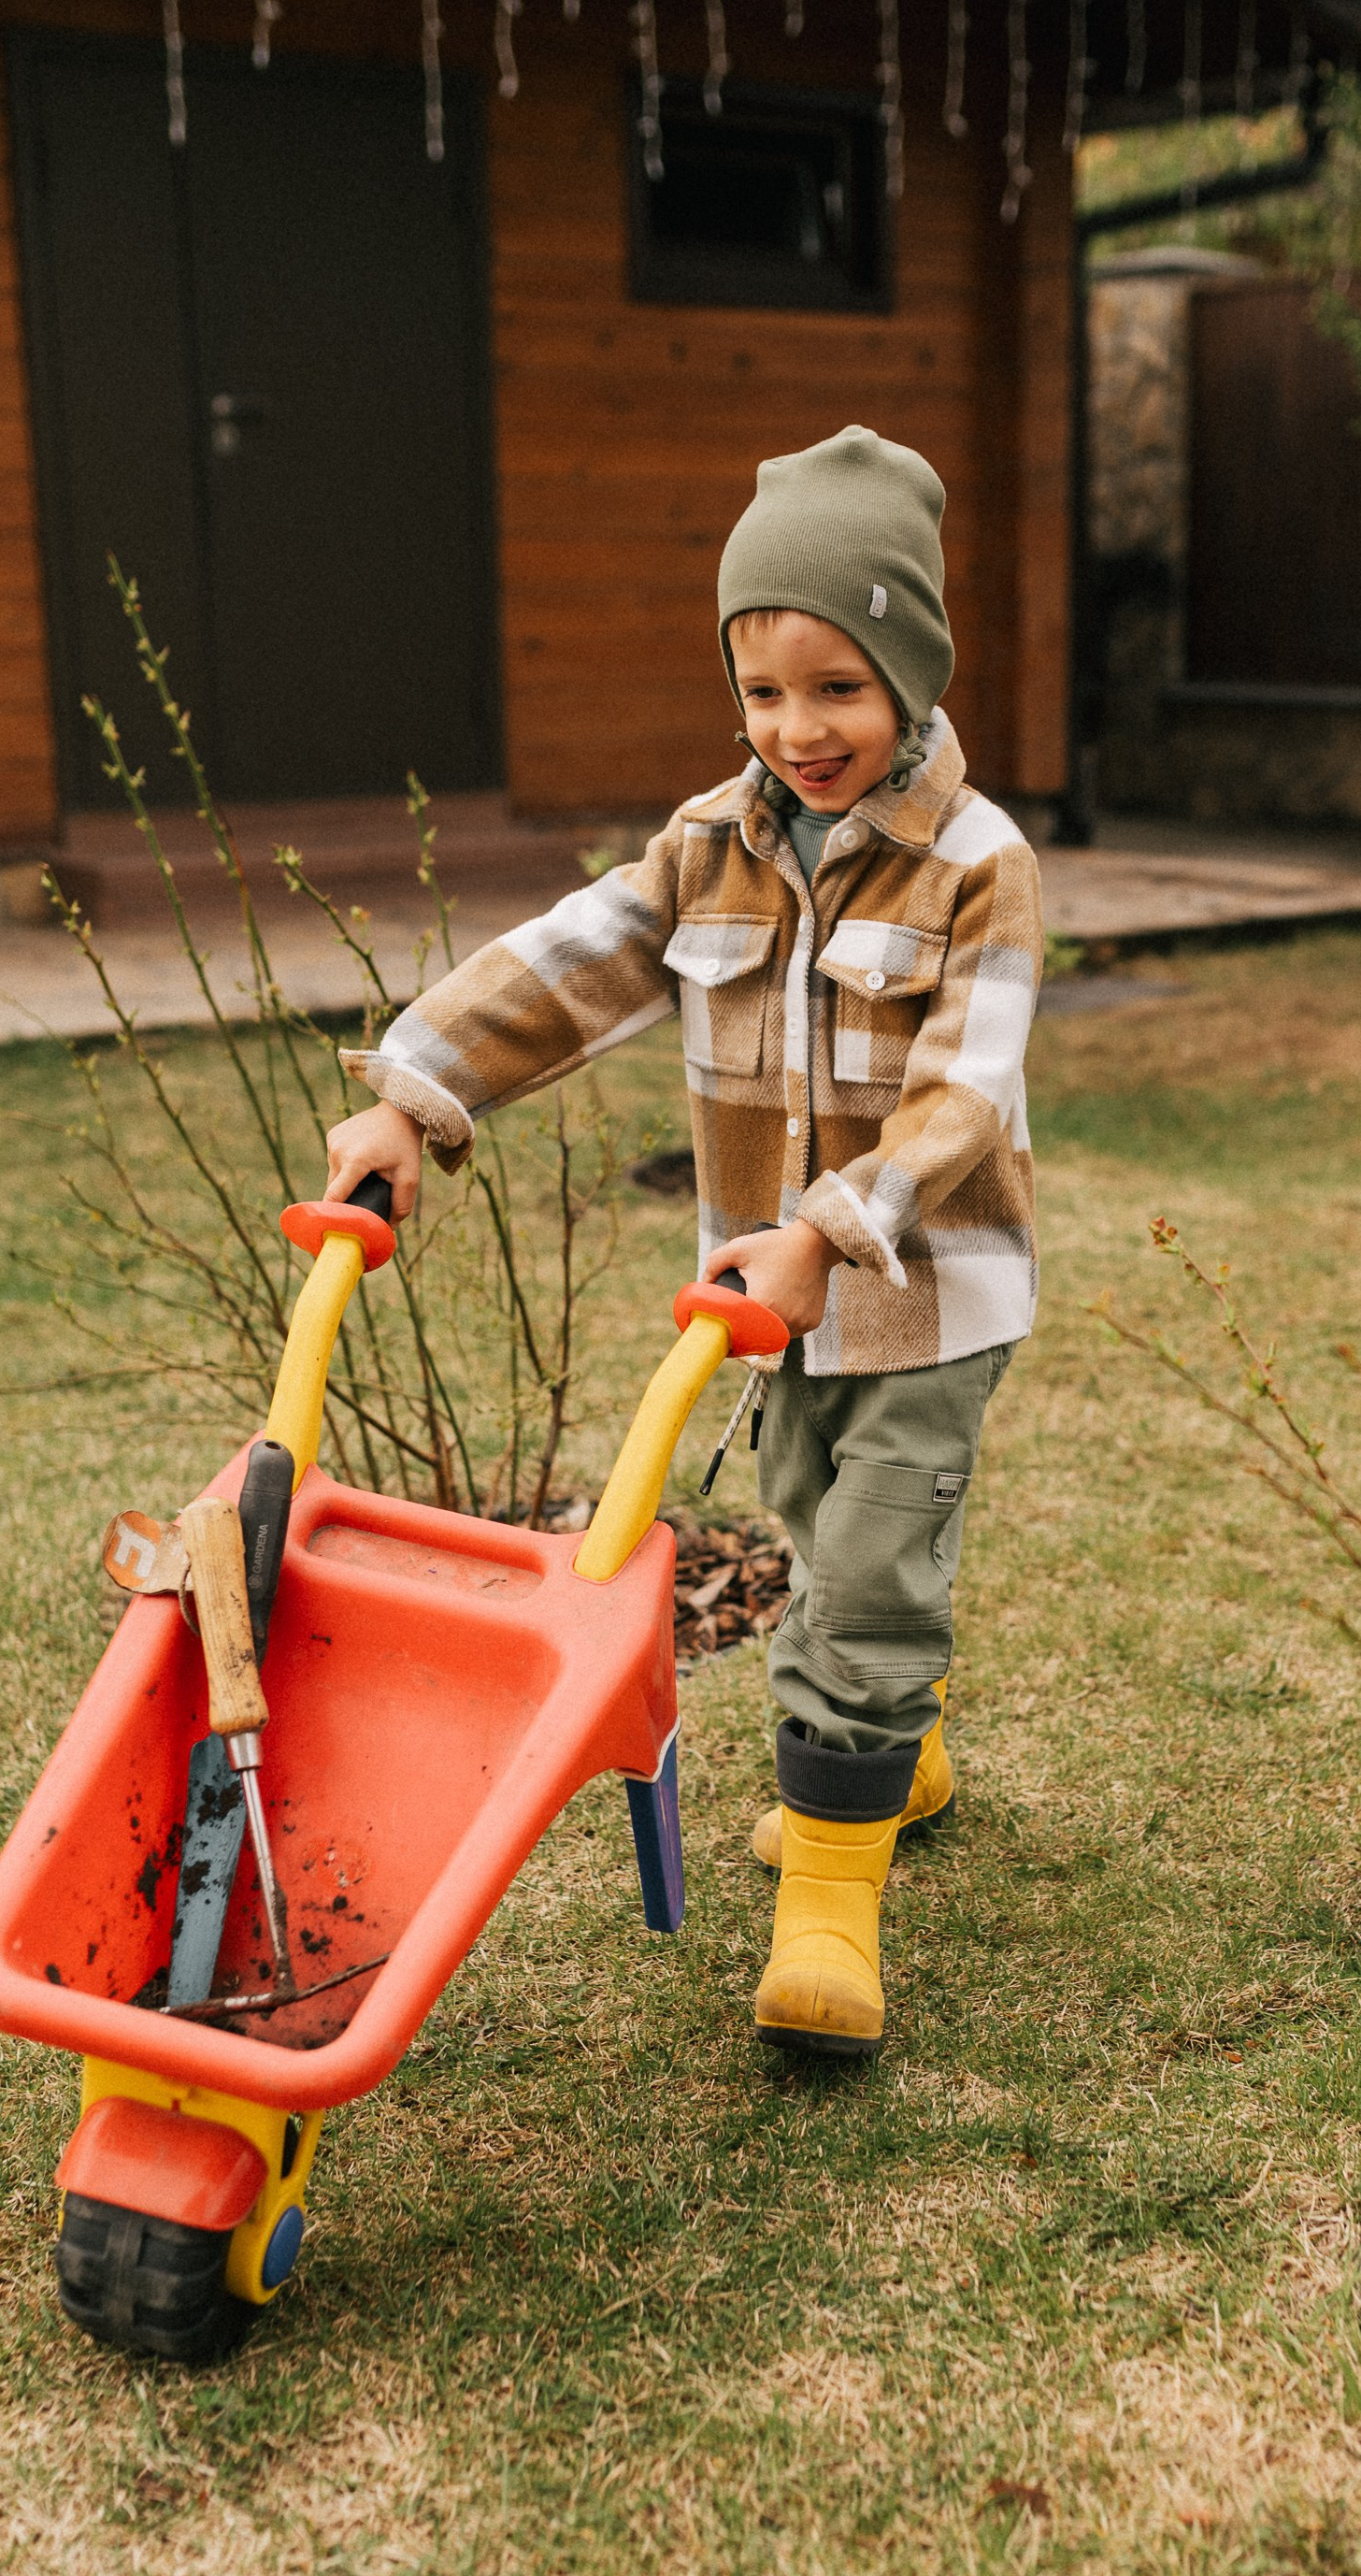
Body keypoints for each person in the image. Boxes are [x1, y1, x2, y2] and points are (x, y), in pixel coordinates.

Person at [323, 424, 1042, 2060]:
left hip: (930, 1292)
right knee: (818, 1537)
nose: (801, 731)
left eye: (841, 689)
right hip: (766, 1307)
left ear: (913, 675)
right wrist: (413, 1090)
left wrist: (824, 1229)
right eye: (765, 692)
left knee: (863, 1572)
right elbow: (564, 965)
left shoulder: (981, 865)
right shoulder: (705, 845)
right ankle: (894, 1750)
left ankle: (829, 1921)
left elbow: (964, 1098)